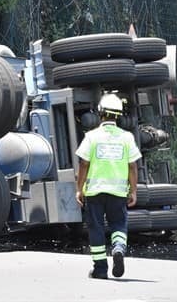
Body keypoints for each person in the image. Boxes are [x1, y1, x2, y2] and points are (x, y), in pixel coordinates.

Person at [75, 93, 141, 279]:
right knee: (118, 224)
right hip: (118, 192)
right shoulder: (127, 137)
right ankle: (118, 248)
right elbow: (132, 165)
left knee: (96, 228)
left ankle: (100, 269)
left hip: (95, 192)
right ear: (118, 115)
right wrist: (133, 190)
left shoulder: (91, 137)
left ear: (100, 113)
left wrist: (79, 189)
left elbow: (84, 164)